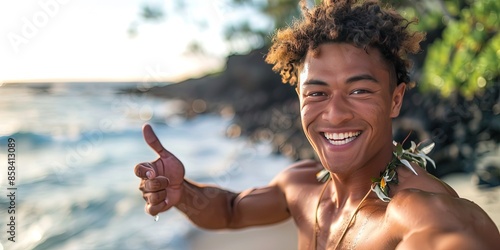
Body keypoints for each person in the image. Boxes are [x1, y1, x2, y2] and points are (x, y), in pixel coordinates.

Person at [134, 0, 500, 249]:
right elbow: (230, 210)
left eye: (358, 91)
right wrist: (182, 194)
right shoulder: (301, 185)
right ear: (298, 98)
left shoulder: (415, 211)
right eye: (317, 93)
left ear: (395, 99)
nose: (335, 114)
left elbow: (455, 234)